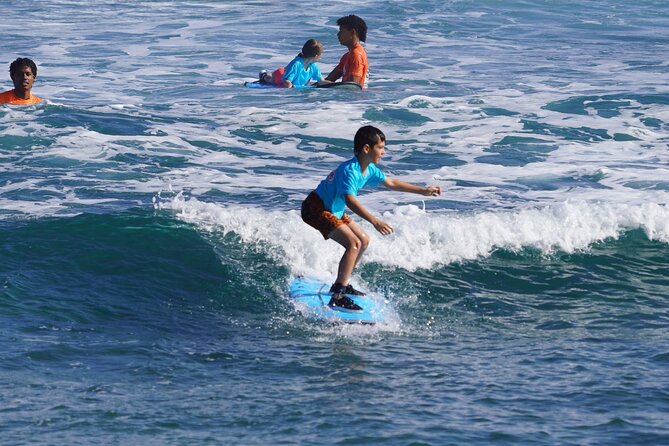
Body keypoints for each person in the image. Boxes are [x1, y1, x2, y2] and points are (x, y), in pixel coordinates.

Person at [301, 126, 441, 311]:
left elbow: (390, 182)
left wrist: (422, 190)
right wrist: (374, 220)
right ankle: (338, 295)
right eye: (381, 147)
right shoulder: (349, 170)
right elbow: (350, 201)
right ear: (367, 148)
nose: (383, 152)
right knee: (353, 243)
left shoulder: (369, 169)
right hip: (316, 208)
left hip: (333, 208)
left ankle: (342, 283)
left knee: (363, 240)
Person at [260, 39, 329, 88]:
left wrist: (335, 84)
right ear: (316, 56)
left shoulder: (313, 66)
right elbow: (286, 81)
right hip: (280, 75)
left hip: (287, 73)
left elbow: (321, 81)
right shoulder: (296, 64)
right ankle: (264, 76)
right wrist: (290, 86)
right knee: (270, 81)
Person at [325, 15, 369, 88]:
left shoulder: (356, 54)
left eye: (342, 31)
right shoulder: (347, 56)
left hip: (356, 98)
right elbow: (329, 79)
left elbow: (353, 87)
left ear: (352, 32)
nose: (338, 34)